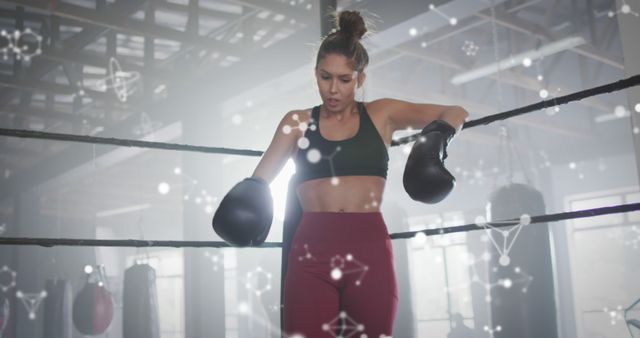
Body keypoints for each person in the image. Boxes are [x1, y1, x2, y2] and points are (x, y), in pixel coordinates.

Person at [213, 10, 468, 338]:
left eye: (344, 79)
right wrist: (244, 207)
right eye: (325, 77)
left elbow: (456, 112)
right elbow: (258, 182)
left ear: (360, 79)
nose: (333, 89)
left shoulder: (382, 113)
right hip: (311, 251)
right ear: (315, 74)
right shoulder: (297, 121)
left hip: (369, 247)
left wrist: (433, 141)